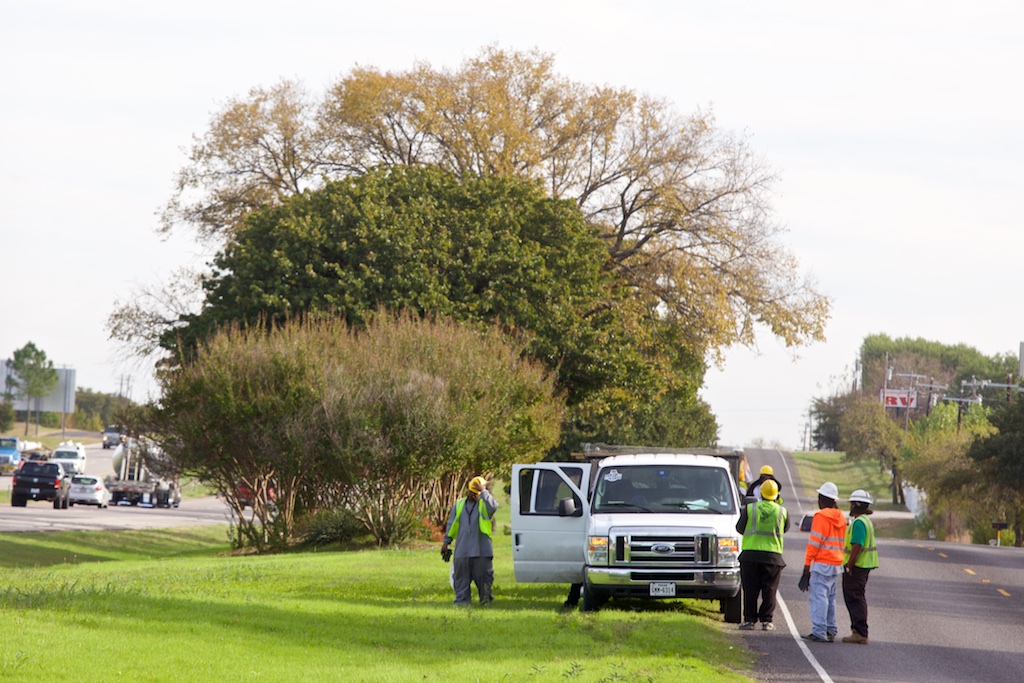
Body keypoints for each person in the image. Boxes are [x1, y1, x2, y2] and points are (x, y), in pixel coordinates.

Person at [736, 479, 790, 631]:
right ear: (776, 494)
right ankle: (767, 621)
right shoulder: (782, 511)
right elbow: (785, 528)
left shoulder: (750, 508)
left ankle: (749, 620)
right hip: (773, 556)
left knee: (750, 589)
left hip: (750, 555)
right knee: (770, 589)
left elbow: (740, 528)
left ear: (760, 493)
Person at [799, 482, 847, 643]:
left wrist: (807, 565)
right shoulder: (840, 517)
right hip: (836, 563)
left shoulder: (821, 517)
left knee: (819, 597)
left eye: (820, 497)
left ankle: (819, 630)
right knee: (830, 598)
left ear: (824, 499)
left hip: (822, 563)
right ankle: (830, 629)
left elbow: (814, 543)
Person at [441, 475, 499, 606]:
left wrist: (484, 491)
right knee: (461, 580)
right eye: (472, 492)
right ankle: (462, 603)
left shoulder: (485, 505)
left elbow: (494, 507)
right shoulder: (460, 504)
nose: (473, 495)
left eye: (476, 493)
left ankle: (485, 601)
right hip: (462, 551)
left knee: (484, 580)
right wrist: (446, 542)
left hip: (481, 551)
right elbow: (451, 524)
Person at [841, 489, 878, 644]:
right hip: (863, 566)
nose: (850, 507)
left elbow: (857, 546)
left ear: (856, 505)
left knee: (855, 598)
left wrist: (849, 565)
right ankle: (858, 630)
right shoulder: (865, 520)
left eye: (851, 504)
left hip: (858, 566)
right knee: (856, 597)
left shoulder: (859, 523)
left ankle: (860, 632)